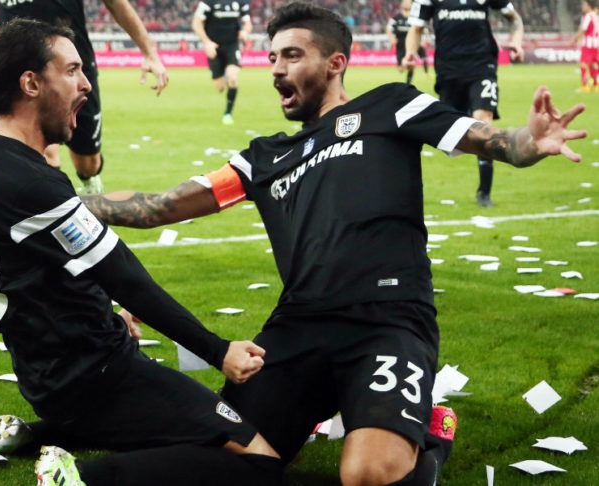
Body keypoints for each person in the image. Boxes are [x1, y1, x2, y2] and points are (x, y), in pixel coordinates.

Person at [79, 3, 586, 485]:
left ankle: (432, 439)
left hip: (387, 321)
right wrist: (63, 202)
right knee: (232, 457)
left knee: (366, 475)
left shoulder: (392, 106)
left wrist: (530, 142)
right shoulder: (263, 159)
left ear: (335, 63)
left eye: (292, 56)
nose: (276, 69)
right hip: (296, 328)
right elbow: (161, 206)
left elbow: (493, 140)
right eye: (272, 58)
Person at [0, 18, 285, 486]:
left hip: (49, 371)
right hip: (96, 376)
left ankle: (25, 435)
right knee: (261, 463)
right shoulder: (29, 181)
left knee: (159, 429)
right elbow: (125, 277)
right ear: (31, 83)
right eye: (72, 70)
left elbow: (37, 273)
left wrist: (99, 315)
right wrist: (219, 350)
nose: (86, 84)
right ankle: (80, 478)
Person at [0, 0, 169, 194]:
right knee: (41, 150)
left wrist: (150, 53)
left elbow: (116, 4)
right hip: (18, 71)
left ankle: (88, 180)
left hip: (70, 68)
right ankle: (47, 209)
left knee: (88, 163)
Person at [403, 0, 524, 207]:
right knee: (450, 134)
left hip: (482, 66)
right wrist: (410, 53)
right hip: (448, 71)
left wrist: (517, 41)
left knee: (483, 122)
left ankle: (484, 193)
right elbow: (416, 28)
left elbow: (514, 17)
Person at [192, 0, 252, 125]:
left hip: (232, 46)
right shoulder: (207, 3)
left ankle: (227, 114)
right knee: (220, 87)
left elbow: (247, 23)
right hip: (214, 47)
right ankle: (222, 72)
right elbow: (196, 23)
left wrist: (245, 31)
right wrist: (207, 42)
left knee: (233, 78)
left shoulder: (241, 2)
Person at [386, 0, 429, 84]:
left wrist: (424, 41)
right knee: (401, 69)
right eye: (404, 2)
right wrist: (392, 39)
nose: (406, 4)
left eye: (408, 2)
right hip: (400, 45)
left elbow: (423, 30)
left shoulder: (415, 18)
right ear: (401, 5)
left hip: (412, 44)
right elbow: (388, 29)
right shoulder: (396, 18)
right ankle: (405, 66)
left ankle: (408, 83)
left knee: (411, 63)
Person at [571, 0, 599, 93]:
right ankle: (595, 85)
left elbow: (583, 30)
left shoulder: (588, 16)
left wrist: (573, 40)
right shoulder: (596, 16)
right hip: (596, 44)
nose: (583, 7)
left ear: (589, 6)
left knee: (583, 63)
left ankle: (585, 86)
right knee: (594, 64)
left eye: (585, 5)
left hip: (588, 44)